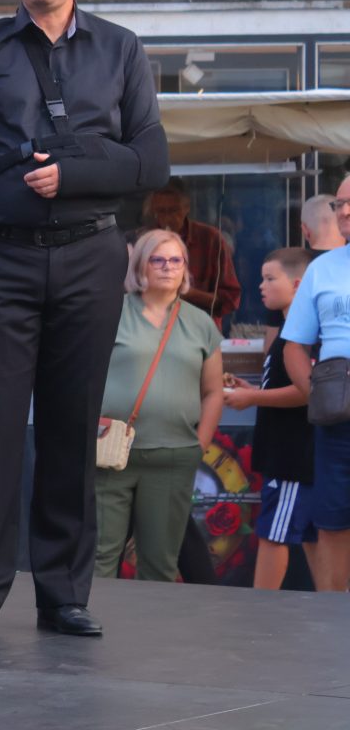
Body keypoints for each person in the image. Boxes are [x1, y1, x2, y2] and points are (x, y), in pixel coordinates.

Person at [0, 0, 169, 641]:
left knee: (71, 430)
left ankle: (64, 594)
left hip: (93, 255)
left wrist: (77, 175)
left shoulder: (121, 51)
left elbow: (150, 162)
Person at [93, 230, 223, 582]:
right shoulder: (110, 313)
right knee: (100, 557)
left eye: (175, 260)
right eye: (158, 260)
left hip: (174, 455)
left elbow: (213, 391)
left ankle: (150, 636)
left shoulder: (200, 323)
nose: (168, 268)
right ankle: (87, 630)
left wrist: (202, 442)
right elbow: (81, 377)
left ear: (185, 269)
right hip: (110, 452)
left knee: (160, 562)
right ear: (140, 266)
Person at [223, 248, 320, 589]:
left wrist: (252, 397)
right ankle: (332, 602)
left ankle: (260, 609)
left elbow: (306, 391)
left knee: (273, 534)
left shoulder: (305, 333)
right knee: (309, 534)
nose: (261, 286)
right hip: (289, 450)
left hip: (292, 453)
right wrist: (251, 387)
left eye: (270, 278)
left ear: (297, 284)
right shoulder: (290, 329)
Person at [280, 175, 350, 593]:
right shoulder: (323, 267)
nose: (344, 212)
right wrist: (322, 398)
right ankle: (336, 623)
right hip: (337, 421)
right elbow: (293, 347)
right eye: (339, 205)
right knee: (333, 521)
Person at [146, 178, 241, 329]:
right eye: (161, 211)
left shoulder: (211, 239)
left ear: (186, 207)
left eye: (173, 210)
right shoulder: (145, 241)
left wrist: (187, 292)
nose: (167, 218)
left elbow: (230, 300)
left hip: (199, 331)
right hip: (154, 329)